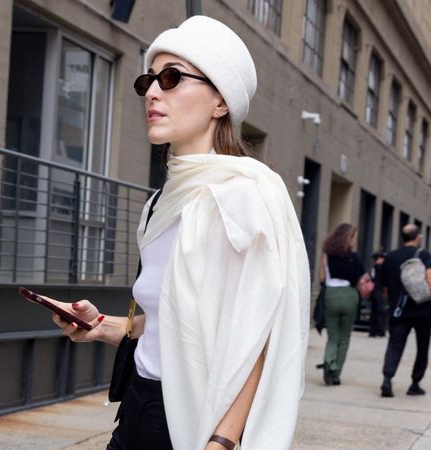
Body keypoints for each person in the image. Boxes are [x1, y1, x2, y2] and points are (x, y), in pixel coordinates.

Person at [47, 16, 310, 450]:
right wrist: (103, 325)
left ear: (219, 102)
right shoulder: (160, 203)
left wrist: (222, 442)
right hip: (136, 407)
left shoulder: (241, 196)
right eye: (149, 79)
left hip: (192, 421)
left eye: (171, 78)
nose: (152, 91)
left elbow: (257, 338)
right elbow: (178, 322)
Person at [380, 224, 431, 398]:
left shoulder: (391, 256)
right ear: (417, 237)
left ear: (402, 238)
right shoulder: (424, 255)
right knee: (422, 347)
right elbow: (430, 279)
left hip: (398, 310)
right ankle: (415, 383)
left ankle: (387, 378)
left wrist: (392, 304)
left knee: (395, 344)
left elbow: (385, 286)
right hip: (423, 310)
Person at [318, 223, 364, 386]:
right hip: (349, 295)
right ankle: (335, 374)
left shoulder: (327, 254)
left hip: (331, 294)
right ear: (349, 238)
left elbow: (322, 277)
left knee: (332, 337)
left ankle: (328, 361)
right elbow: (360, 282)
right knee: (344, 338)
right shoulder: (355, 258)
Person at [368, 251, 387, 337]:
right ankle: (380, 330)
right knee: (381, 311)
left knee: (374, 311)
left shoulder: (373, 268)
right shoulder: (380, 267)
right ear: (379, 259)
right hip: (379, 291)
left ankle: (373, 331)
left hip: (373, 291)